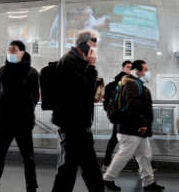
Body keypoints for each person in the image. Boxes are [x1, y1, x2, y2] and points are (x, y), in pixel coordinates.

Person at [0, 40, 39, 192]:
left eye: (14, 50)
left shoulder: (32, 73)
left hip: (24, 122)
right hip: (5, 122)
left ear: (22, 52)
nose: (11, 53)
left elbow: (35, 97)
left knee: (28, 158)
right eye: (9, 51)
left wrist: (24, 108)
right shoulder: (1, 71)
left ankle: (31, 187)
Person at [51, 29, 105, 192]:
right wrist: (92, 67)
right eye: (94, 42)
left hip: (78, 122)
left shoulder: (76, 60)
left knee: (82, 168)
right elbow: (82, 89)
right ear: (85, 43)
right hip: (73, 123)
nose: (96, 47)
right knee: (73, 169)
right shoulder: (70, 61)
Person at [103, 60, 164, 191]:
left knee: (145, 155)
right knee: (124, 155)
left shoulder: (135, 84)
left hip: (134, 129)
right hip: (131, 129)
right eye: (145, 69)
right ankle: (107, 179)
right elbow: (134, 107)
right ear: (138, 71)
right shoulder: (133, 85)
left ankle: (148, 182)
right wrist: (142, 124)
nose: (147, 72)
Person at [101, 60, 132, 171]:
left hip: (123, 116)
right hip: (121, 116)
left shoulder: (129, 82)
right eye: (128, 67)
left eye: (131, 67)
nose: (130, 69)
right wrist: (112, 113)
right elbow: (106, 100)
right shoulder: (116, 84)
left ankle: (107, 164)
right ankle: (107, 165)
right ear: (123, 68)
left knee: (130, 140)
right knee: (117, 139)